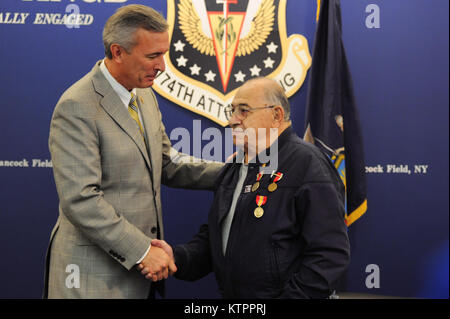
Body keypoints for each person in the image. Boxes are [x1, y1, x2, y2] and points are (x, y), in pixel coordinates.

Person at [44, 5, 223, 299]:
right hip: (92, 279)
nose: (162, 66)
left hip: (138, 277)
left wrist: (233, 172)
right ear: (118, 52)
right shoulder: (77, 105)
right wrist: (141, 251)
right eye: (153, 56)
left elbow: (166, 163)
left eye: (163, 54)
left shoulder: (144, 95)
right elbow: (81, 199)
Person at [142, 77, 350, 298]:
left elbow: (330, 254)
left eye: (243, 111)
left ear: (276, 115)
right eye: (231, 111)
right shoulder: (236, 167)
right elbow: (218, 238)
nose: (232, 120)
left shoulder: (308, 164)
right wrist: (176, 257)